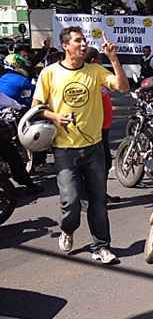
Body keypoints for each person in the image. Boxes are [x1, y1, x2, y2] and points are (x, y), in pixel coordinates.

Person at [32, 26, 129, 264]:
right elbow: (37, 107)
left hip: (94, 147)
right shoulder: (50, 73)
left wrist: (114, 59)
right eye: (78, 41)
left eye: (84, 41)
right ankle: (68, 229)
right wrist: (55, 117)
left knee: (98, 200)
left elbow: (123, 87)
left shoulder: (95, 70)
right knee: (71, 201)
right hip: (64, 149)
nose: (83, 44)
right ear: (66, 45)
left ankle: (101, 246)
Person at [84, 46, 120, 204]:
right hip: (96, 128)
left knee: (104, 164)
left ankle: (100, 195)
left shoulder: (98, 75)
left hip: (104, 127)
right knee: (98, 165)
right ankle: (90, 198)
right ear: (93, 61)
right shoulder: (89, 77)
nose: (100, 63)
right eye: (99, 59)